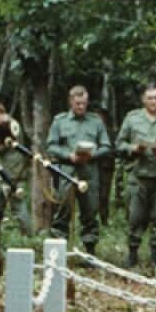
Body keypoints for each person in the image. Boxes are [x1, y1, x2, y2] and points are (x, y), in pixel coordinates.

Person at [45, 85, 111, 254]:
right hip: (67, 171)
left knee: (90, 212)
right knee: (63, 211)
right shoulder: (60, 121)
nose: (81, 107)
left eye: (83, 103)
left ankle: (90, 252)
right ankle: (58, 253)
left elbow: (106, 146)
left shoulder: (96, 121)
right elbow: (51, 146)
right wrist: (68, 155)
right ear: (70, 102)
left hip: (89, 172)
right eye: (77, 104)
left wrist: (93, 154)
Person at [116, 84, 156, 269]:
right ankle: (133, 254)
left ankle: (155, 256)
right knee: (135, 217)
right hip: (138, 176)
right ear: (143, 99)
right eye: (149, 98)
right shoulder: (133, 118)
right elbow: (119, 144)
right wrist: (134, 149)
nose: (153, 102)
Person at [0, 100, 31, 234]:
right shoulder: (8, 124)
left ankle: (29, 236)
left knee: (18, 206)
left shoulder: (9, 125)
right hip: (5, 171)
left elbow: (7, 145)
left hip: (13, 172)